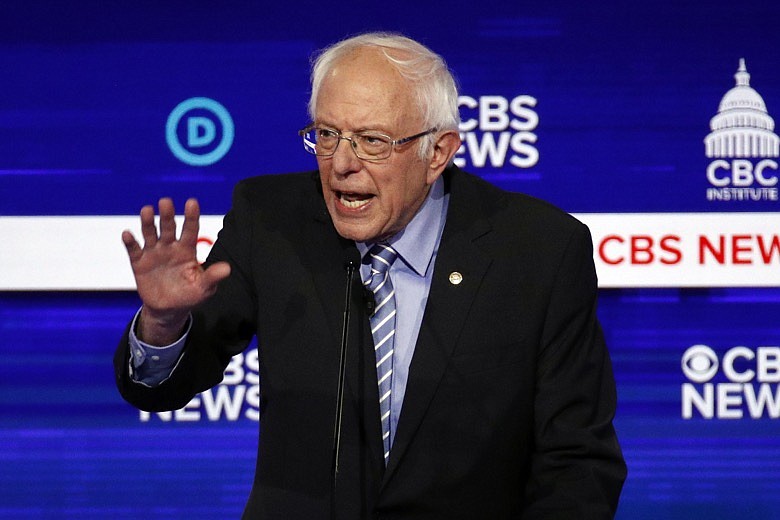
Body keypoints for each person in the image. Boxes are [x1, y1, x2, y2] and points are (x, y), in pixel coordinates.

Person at [115, 32, 626, 519]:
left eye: (372, 141)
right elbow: (162, 388)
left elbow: (578, 461)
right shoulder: (269, 221)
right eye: (326, 134)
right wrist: (163, 324)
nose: (340, 164)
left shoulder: (538, 251)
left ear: (438, 152)